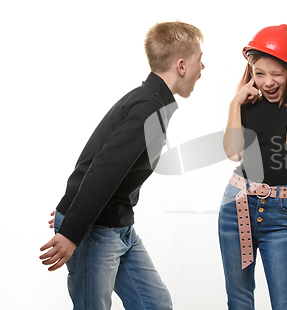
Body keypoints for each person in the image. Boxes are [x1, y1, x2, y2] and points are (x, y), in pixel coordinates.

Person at [39, 21, 205, 310]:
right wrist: (72, 229)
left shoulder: (152, 102)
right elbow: (104, 169)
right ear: (181, 65)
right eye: (199, 60)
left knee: (156, 304)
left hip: (117, 225)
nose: (203, 68)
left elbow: (99, 159)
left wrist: (75, 203)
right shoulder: (147, 108)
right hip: (94, 229)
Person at [219, 24, 287, 310]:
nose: (268, 82)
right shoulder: (248, 105)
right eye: (259, 74)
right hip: (237, 207)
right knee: (239, 301)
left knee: (286, 305)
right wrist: (235, 103)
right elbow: (233, 152)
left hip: (279, 216)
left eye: (277, 74)